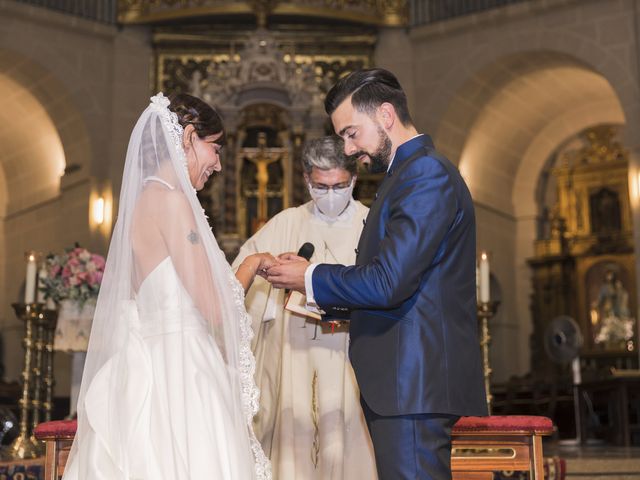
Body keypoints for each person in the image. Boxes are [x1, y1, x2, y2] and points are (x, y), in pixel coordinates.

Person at [266, 68, 487, 479]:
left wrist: (310, 277)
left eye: (352, 133)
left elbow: (388, 282)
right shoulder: (403, 175)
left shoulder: (424, 174)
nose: (348, 149)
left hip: (413, 383)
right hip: (405, 383)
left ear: (386, 115)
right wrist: (325, 300)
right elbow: (403, 283)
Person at [63, 93, 273, 480]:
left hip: (149, 362)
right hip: (183, 368)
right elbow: (215, 307)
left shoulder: (145, 200)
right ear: (189, 136)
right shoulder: (174, 203)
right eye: (215, 148)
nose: (219, 164)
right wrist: (249, 266)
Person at [232, 136, 377, 480]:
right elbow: (238, 287)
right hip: (292, 354)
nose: (330, 194)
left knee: (347, 440)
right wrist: (271, 274)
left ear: (354, 180)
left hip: (348, 354)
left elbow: (380, 284)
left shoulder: (371, 224)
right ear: (306, 179)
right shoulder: (286, 222)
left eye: (339, 185)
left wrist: (315, 279)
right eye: (320, 186)